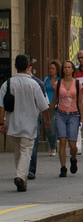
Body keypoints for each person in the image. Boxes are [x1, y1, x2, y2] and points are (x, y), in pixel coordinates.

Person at [0, 54, 51, 192]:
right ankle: (20, 177)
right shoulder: (34, 84)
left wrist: (1, 123)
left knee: (18, 152)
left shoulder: (7, 84)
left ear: (15, 67)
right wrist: (47, 120)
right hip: (29, 124)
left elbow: (2, 106)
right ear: (28, 67)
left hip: (13, 123)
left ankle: (21, 178)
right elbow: (44, 106)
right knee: (26, 151)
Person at [51, 60, 83, 177]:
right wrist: (49, 116)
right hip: (60, 113)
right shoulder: (58, 84)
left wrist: (82, 117)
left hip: (74, 115)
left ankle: (73, 159)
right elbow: (54, 100)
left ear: (72, 69)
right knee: (62, 141)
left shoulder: (77, 84)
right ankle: (63, 167)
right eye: (65, 67)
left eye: (69, 67)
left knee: (72, 145)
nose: (67, 69)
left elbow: (80, 101)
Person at [26, 65, 47, 180]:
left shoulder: (38, 83)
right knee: (23, 146)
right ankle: (22, 169)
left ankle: (30, 170)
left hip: (34, 118)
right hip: (21, 119)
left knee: (32, 145)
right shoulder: (12, 82)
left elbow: (42, 103)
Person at [43, 60, 61, 157]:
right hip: (46, 105)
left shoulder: (59, 80)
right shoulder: (46, 79)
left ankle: (53, 147)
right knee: (47, 128)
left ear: (57, 70)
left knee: (52, 127)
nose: (51, 70)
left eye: (53, 69)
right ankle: (51, 144)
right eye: (50, 68)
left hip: (55, 106)